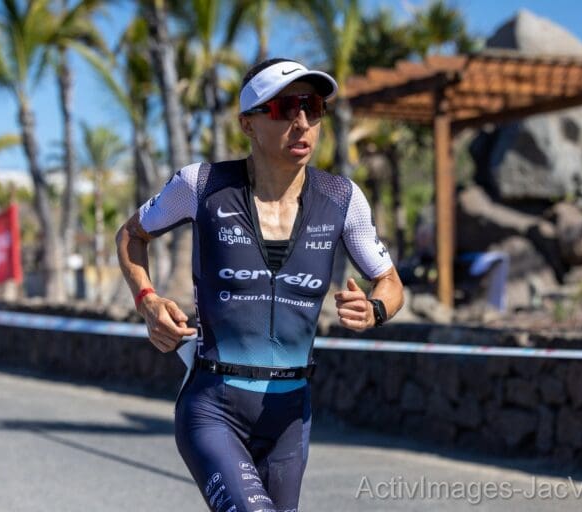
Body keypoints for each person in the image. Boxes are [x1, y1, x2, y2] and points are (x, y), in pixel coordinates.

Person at [117, 58, 404, 511]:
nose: (302, 122)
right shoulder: (202, 185)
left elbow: (388, 280)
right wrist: (147, 300)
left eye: (312, 106)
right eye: (285, 108)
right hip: (214, 409)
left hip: (290, 417)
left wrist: (376, 309)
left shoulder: (342, 199)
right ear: (247, 124)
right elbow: (131, 234)